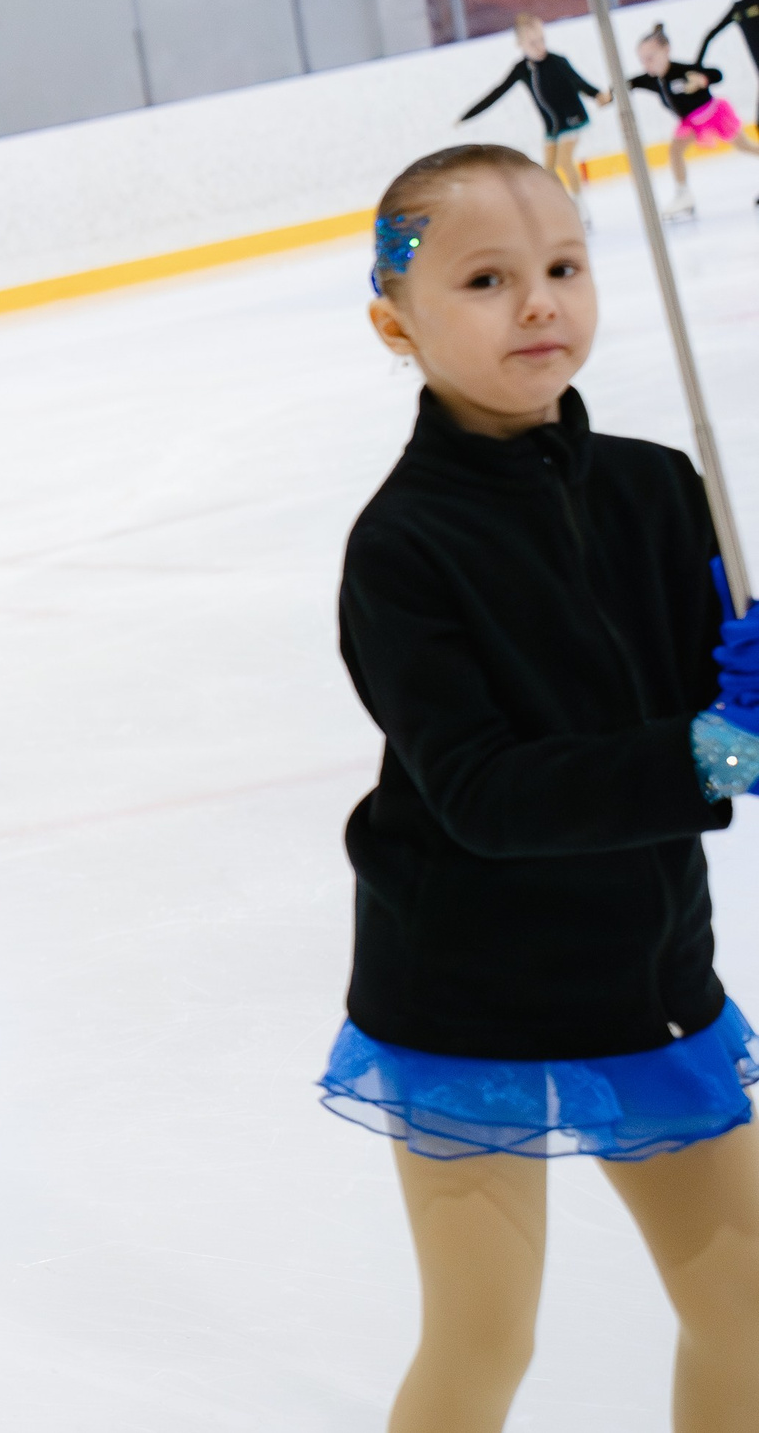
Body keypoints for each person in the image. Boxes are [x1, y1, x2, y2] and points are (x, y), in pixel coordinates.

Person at [328, 142, 759, 1432]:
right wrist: (701, 750)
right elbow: (483, 792)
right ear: (393, 321)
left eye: (564, 266)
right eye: (485, 279)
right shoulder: (401, 546)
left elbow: (715, 702)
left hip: (644, 967)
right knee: (484, 1336)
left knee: (749, 1305)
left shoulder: (658, 486)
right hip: (468, 990)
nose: (538, 303)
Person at [458, 13, 610, 217]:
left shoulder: (557, 61)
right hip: (552, 125)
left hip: (572, 117)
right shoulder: (521, 69)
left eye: (542, 40)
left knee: (564, 161)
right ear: (520, 44)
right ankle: (560, 207)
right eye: (533, 43)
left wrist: (598, 95)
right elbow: (498, 92)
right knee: (548, 170)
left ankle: (581, 209)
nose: (540, 47)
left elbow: (579, 82)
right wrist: (469, 114)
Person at [626, 23, 759, 222]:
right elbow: (628, 83)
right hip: (691, 123)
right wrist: (609, 93)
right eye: (642, 60)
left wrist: (702, 79)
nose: (647, 64)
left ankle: (683, 194)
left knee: (744, 145)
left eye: (650, 58)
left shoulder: (683, 70)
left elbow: (716, 74)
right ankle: (683, 195)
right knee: (675, 150)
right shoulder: (651, 80)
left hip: (713, 114)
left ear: (666, 50)